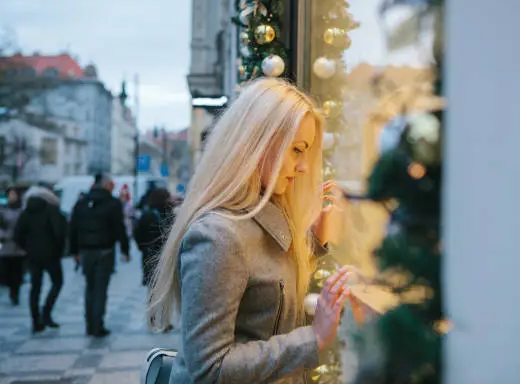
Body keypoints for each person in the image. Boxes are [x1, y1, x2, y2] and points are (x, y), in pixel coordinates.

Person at [147, 78, 357, 383]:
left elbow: (266, 297)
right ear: (258, 143)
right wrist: (313, 338)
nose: (303, 168)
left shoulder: (264, 217)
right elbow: (210, 369)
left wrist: (316, 242)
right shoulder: (219, 236)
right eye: (297, 150)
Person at [70, 174, 131, 338]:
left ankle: (90, 324)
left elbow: (73, 228)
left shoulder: (81, 203)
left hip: (85, 251)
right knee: (100, 289)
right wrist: (125, 249)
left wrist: (74, 251)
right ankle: (97, 325)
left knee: (90, 287)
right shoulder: (112, 203)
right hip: (105, 251)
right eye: (111, 184)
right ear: (105, 185)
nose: (113, 186)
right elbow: (119, 228)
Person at [14, 186, 67, 333]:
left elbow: (17, 235)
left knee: (35, 288)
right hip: (51, 255)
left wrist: (28, 248)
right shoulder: (51, 211)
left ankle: (35, 320)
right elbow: (59, 233)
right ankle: (46, 313)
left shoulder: (26, 212)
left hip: (33, 255)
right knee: (57, 282)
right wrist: (57, 250)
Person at [134, 187, 173, 288]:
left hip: (149, 254)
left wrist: (142, 247)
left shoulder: (146, 214)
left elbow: (137, 233)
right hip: (165, 254)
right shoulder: (169, 214)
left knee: (152, 287)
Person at [0, 187, 26, 306]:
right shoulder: (2, 211)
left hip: (18, 246)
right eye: (10, 194)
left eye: (14, 194)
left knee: (17, 272)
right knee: (6, 271)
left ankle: (14, 294)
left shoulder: (22, 211)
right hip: (5, 245)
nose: (12, 197)